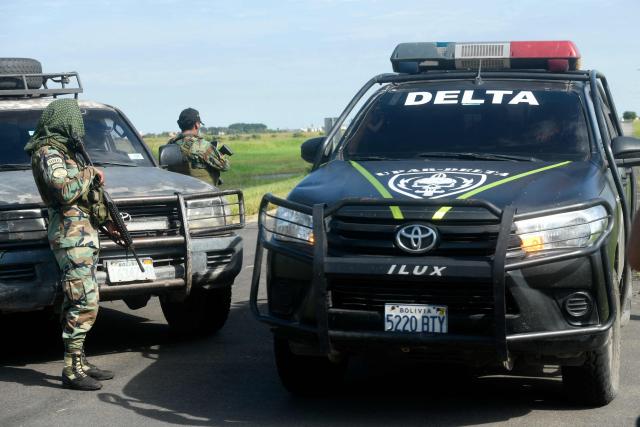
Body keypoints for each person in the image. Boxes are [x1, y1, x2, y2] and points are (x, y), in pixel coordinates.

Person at [24, 99, 114, 391]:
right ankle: (71, 370)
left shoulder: (65, 151)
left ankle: (80, 361)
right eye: (74, 120)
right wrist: (90, 173)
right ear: (62, 120)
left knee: (79, 298)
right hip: (70, 236)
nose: (79, 127)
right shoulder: (48, 152)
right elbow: (63, 191)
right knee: (83, 301)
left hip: (82, 235)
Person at [168, 107, 230, 185]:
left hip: (178, 193)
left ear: (179, 124)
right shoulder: (202, 145)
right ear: (196, 125)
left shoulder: (170, 144)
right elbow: (225, 166)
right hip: (203, 194)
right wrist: (219, 155)